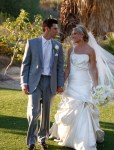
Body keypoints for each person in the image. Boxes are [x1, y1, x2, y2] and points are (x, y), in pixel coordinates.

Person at [49, 25, 114, 150]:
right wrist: (61, 83)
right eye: (72, 33)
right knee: (70, 107)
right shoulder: (70, 50)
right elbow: (68, 69)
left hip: (85, 83)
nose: (72, 35)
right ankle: (67, 135)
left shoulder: (90, 50)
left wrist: (96, 85)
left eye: (75, 33)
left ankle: (83, 140)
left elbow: (93, 69)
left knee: (84, 107)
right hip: (72, 83)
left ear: (82, 35)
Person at [20, 18, 64, 150]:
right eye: (55, 28)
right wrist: (24, 83)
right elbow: (25, 64)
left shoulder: (57, 45)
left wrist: (60, 84)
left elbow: (60, 67)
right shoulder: (32, 42)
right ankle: (31, 141)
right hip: (35, 82)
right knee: (34, 112)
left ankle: (42, 138)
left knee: (46, 113)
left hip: (50, 82)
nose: (57, 31)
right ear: (47, 29)